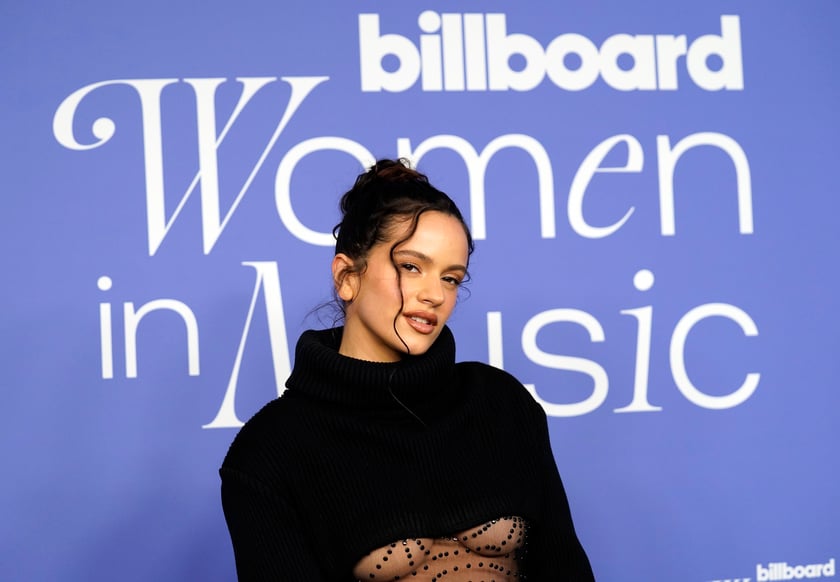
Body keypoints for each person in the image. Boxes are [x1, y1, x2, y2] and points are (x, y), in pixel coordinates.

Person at [220, 159, 594, 581]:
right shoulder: (271, 451)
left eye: (451, 278)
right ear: (346, 276)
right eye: (411, 266)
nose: (434, 294)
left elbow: (567, 569)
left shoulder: (502, 404)